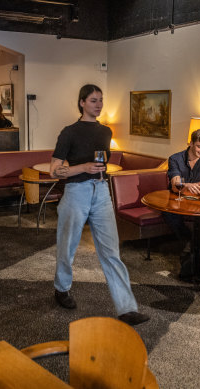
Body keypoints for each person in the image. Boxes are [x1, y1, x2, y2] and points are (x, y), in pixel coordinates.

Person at [49, 84, 149, 326]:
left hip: (101, 191)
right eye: (94, 100)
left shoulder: (106, 132)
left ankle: (126, 308)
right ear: (82, 102)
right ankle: (61, 288)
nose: (99, 104)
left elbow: (103, 162)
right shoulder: (69, 133)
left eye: (101, 100)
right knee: (67, 246)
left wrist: (98, 173)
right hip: (76, 191)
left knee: (111, 251)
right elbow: (54, 171)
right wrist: (82, 168)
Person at [164, 129, 200, 282]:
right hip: (176, 201)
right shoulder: (175, 158)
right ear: (191, 143)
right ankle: (190, 245)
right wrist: (187, 185)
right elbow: (175, 185)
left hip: (197, 203)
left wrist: (192, 184)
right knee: (171, 215)